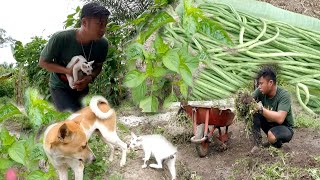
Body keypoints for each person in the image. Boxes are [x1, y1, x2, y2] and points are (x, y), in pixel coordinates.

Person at [39, 2, 110, 112]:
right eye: (99, 24)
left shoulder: (102, 44)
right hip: (60, 86)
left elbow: (98, 66)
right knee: (70, 116)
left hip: (82, 86)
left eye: (105, 24)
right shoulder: (61, 38)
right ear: (84, 22)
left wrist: (89, 78)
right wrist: (68, 71)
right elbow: (43, 62)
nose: (103, 29)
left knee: (81, 118)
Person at [250, 66, 294, 153]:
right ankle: (257, 144)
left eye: (261, 83)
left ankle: (278, 144)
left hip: (285, 127)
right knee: (253, 113)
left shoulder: (284, 95)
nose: (259, 86)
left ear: (270, 83)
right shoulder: (261, 90)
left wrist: (261, 109)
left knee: (271, 135)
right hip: (270, 125)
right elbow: (250, 100)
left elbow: (280, 119)